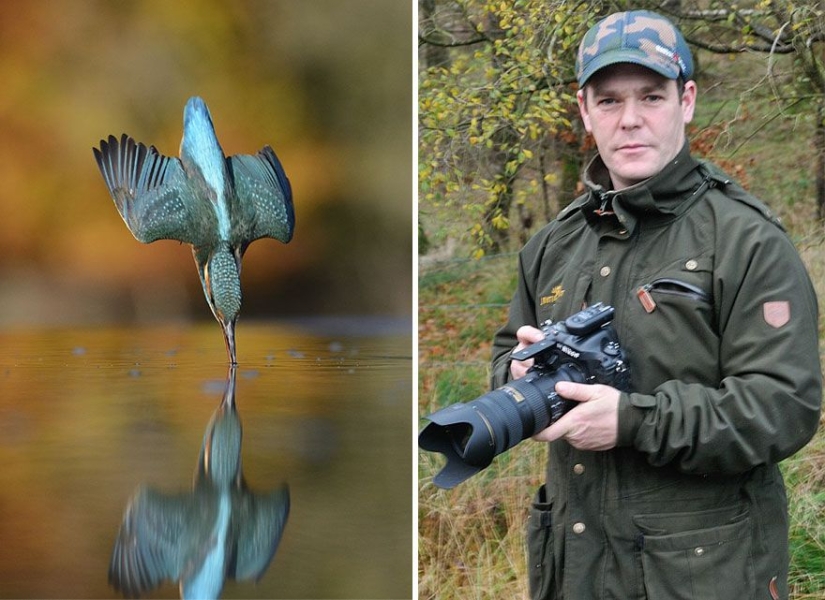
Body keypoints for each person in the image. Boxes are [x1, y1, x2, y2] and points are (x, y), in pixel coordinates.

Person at [490, 10, 822, 600]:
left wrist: (631, 420)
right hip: (573, 568)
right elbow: (504, 350)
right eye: (610, 101)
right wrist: (514, 374)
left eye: (651, 96)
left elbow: (784, 406)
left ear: (686, 100)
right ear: (584, 111)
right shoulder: (553, 244)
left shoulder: (745, 240)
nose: (631, 120)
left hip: (701, 576)